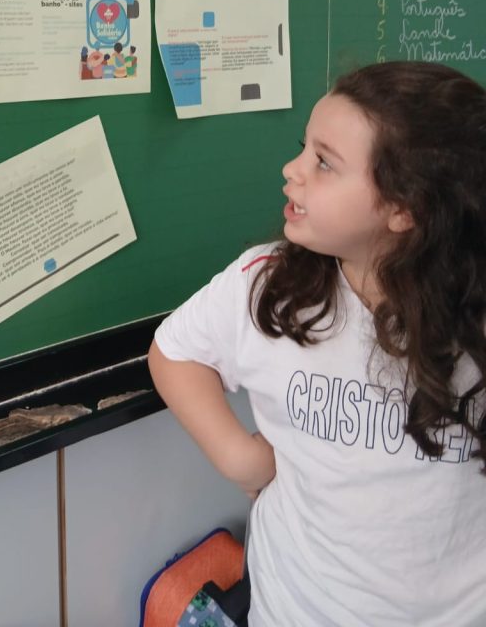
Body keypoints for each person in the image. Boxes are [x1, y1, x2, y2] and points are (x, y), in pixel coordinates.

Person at [149, 61, 486, 627]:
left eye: (324, 162)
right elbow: (174, 352)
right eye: (302, 148)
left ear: (406, 208)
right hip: (296, 610)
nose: (293, 170)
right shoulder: (270, 284)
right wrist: (240, 458)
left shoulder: (471, 316)